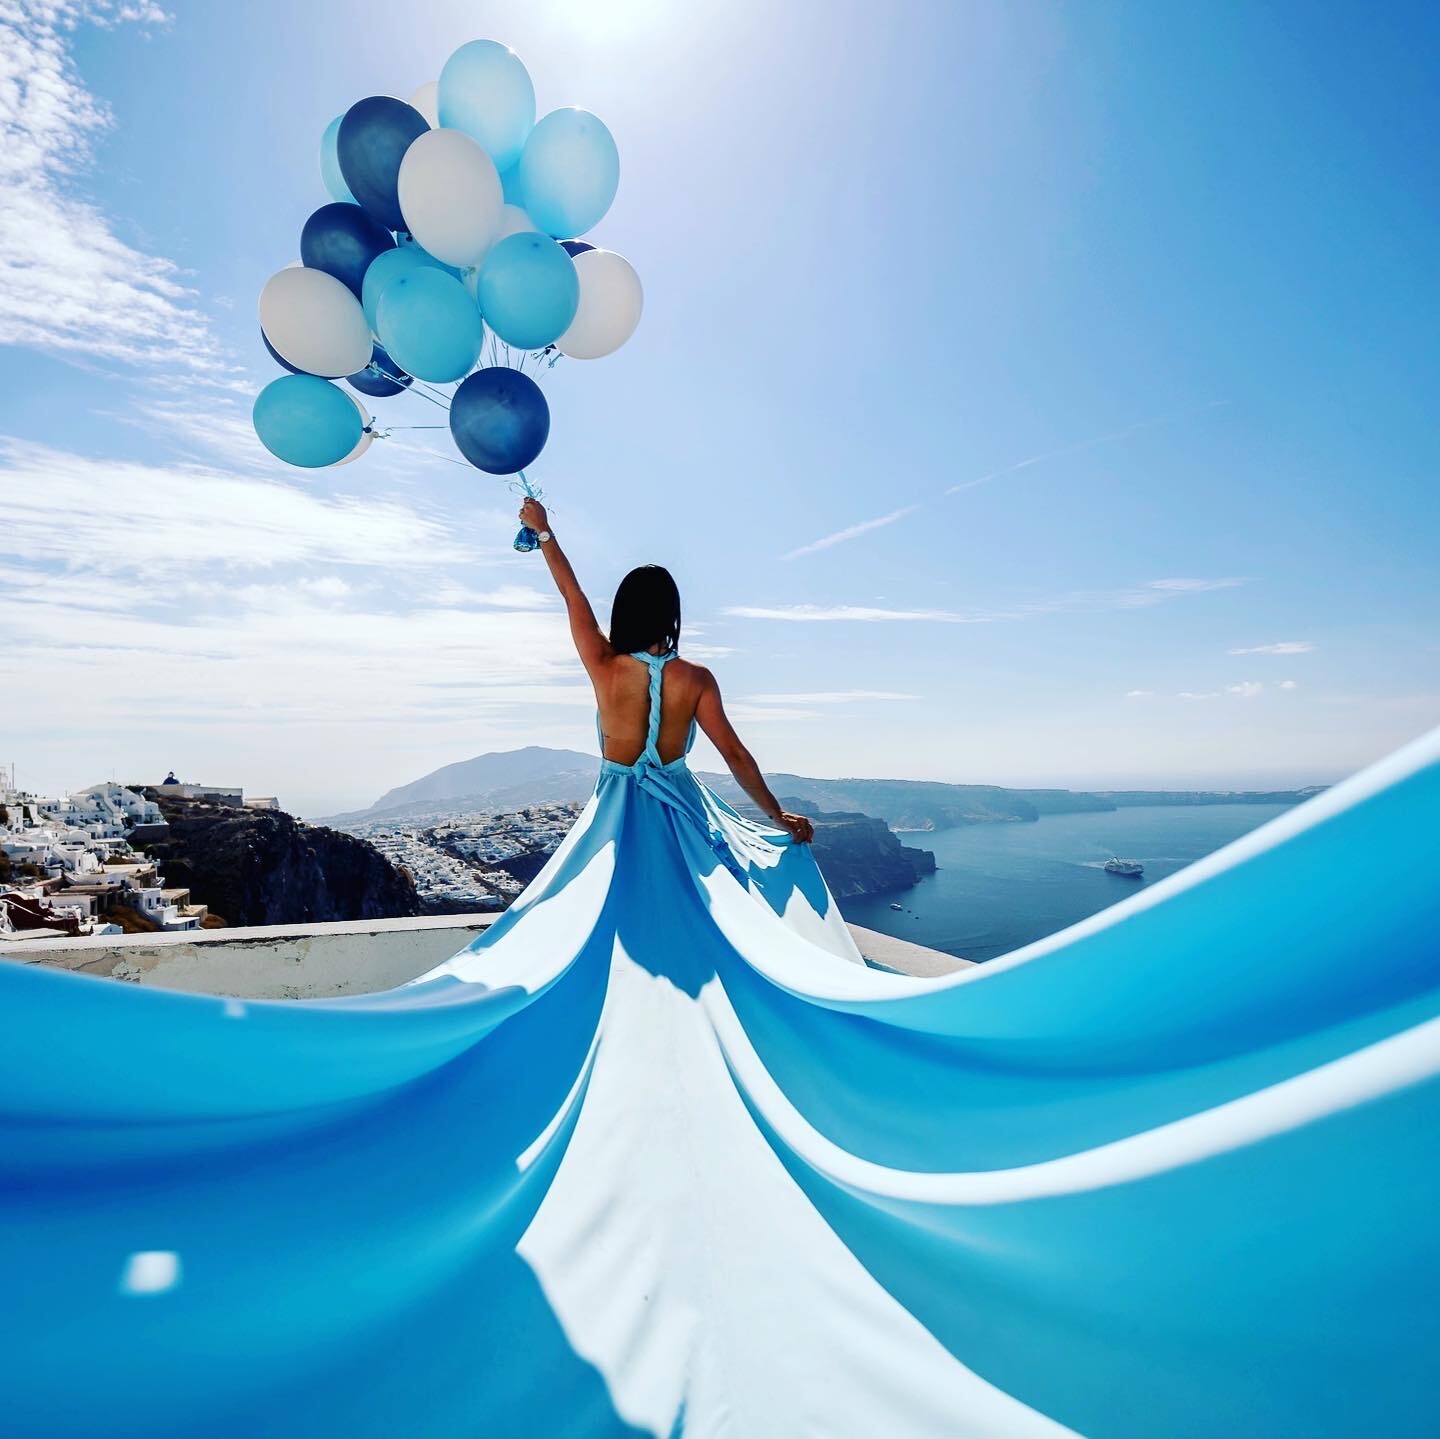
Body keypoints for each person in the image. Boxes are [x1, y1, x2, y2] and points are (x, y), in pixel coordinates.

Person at [520, 496, 815, 845]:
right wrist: (775, 815)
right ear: (672, 614)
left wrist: (544, 532)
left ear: (623, 611)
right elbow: (734, 754)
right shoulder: (697, 678)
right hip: (685, 811)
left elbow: (573, 593)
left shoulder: (604, 664)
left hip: (618, 813)